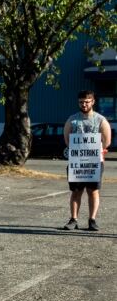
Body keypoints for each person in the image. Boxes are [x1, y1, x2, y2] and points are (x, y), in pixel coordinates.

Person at [61, 90, 111, 231]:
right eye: (81, 102)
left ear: (93, 102)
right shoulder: (72, 120)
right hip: (76, 162)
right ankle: (73, 220)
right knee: (76, 192)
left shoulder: (100, 120)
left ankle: (92, 220)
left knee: (93, 191)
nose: (83, 104)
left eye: (87, 102)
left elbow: (106, 142)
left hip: (95, 162)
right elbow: (67, 140)